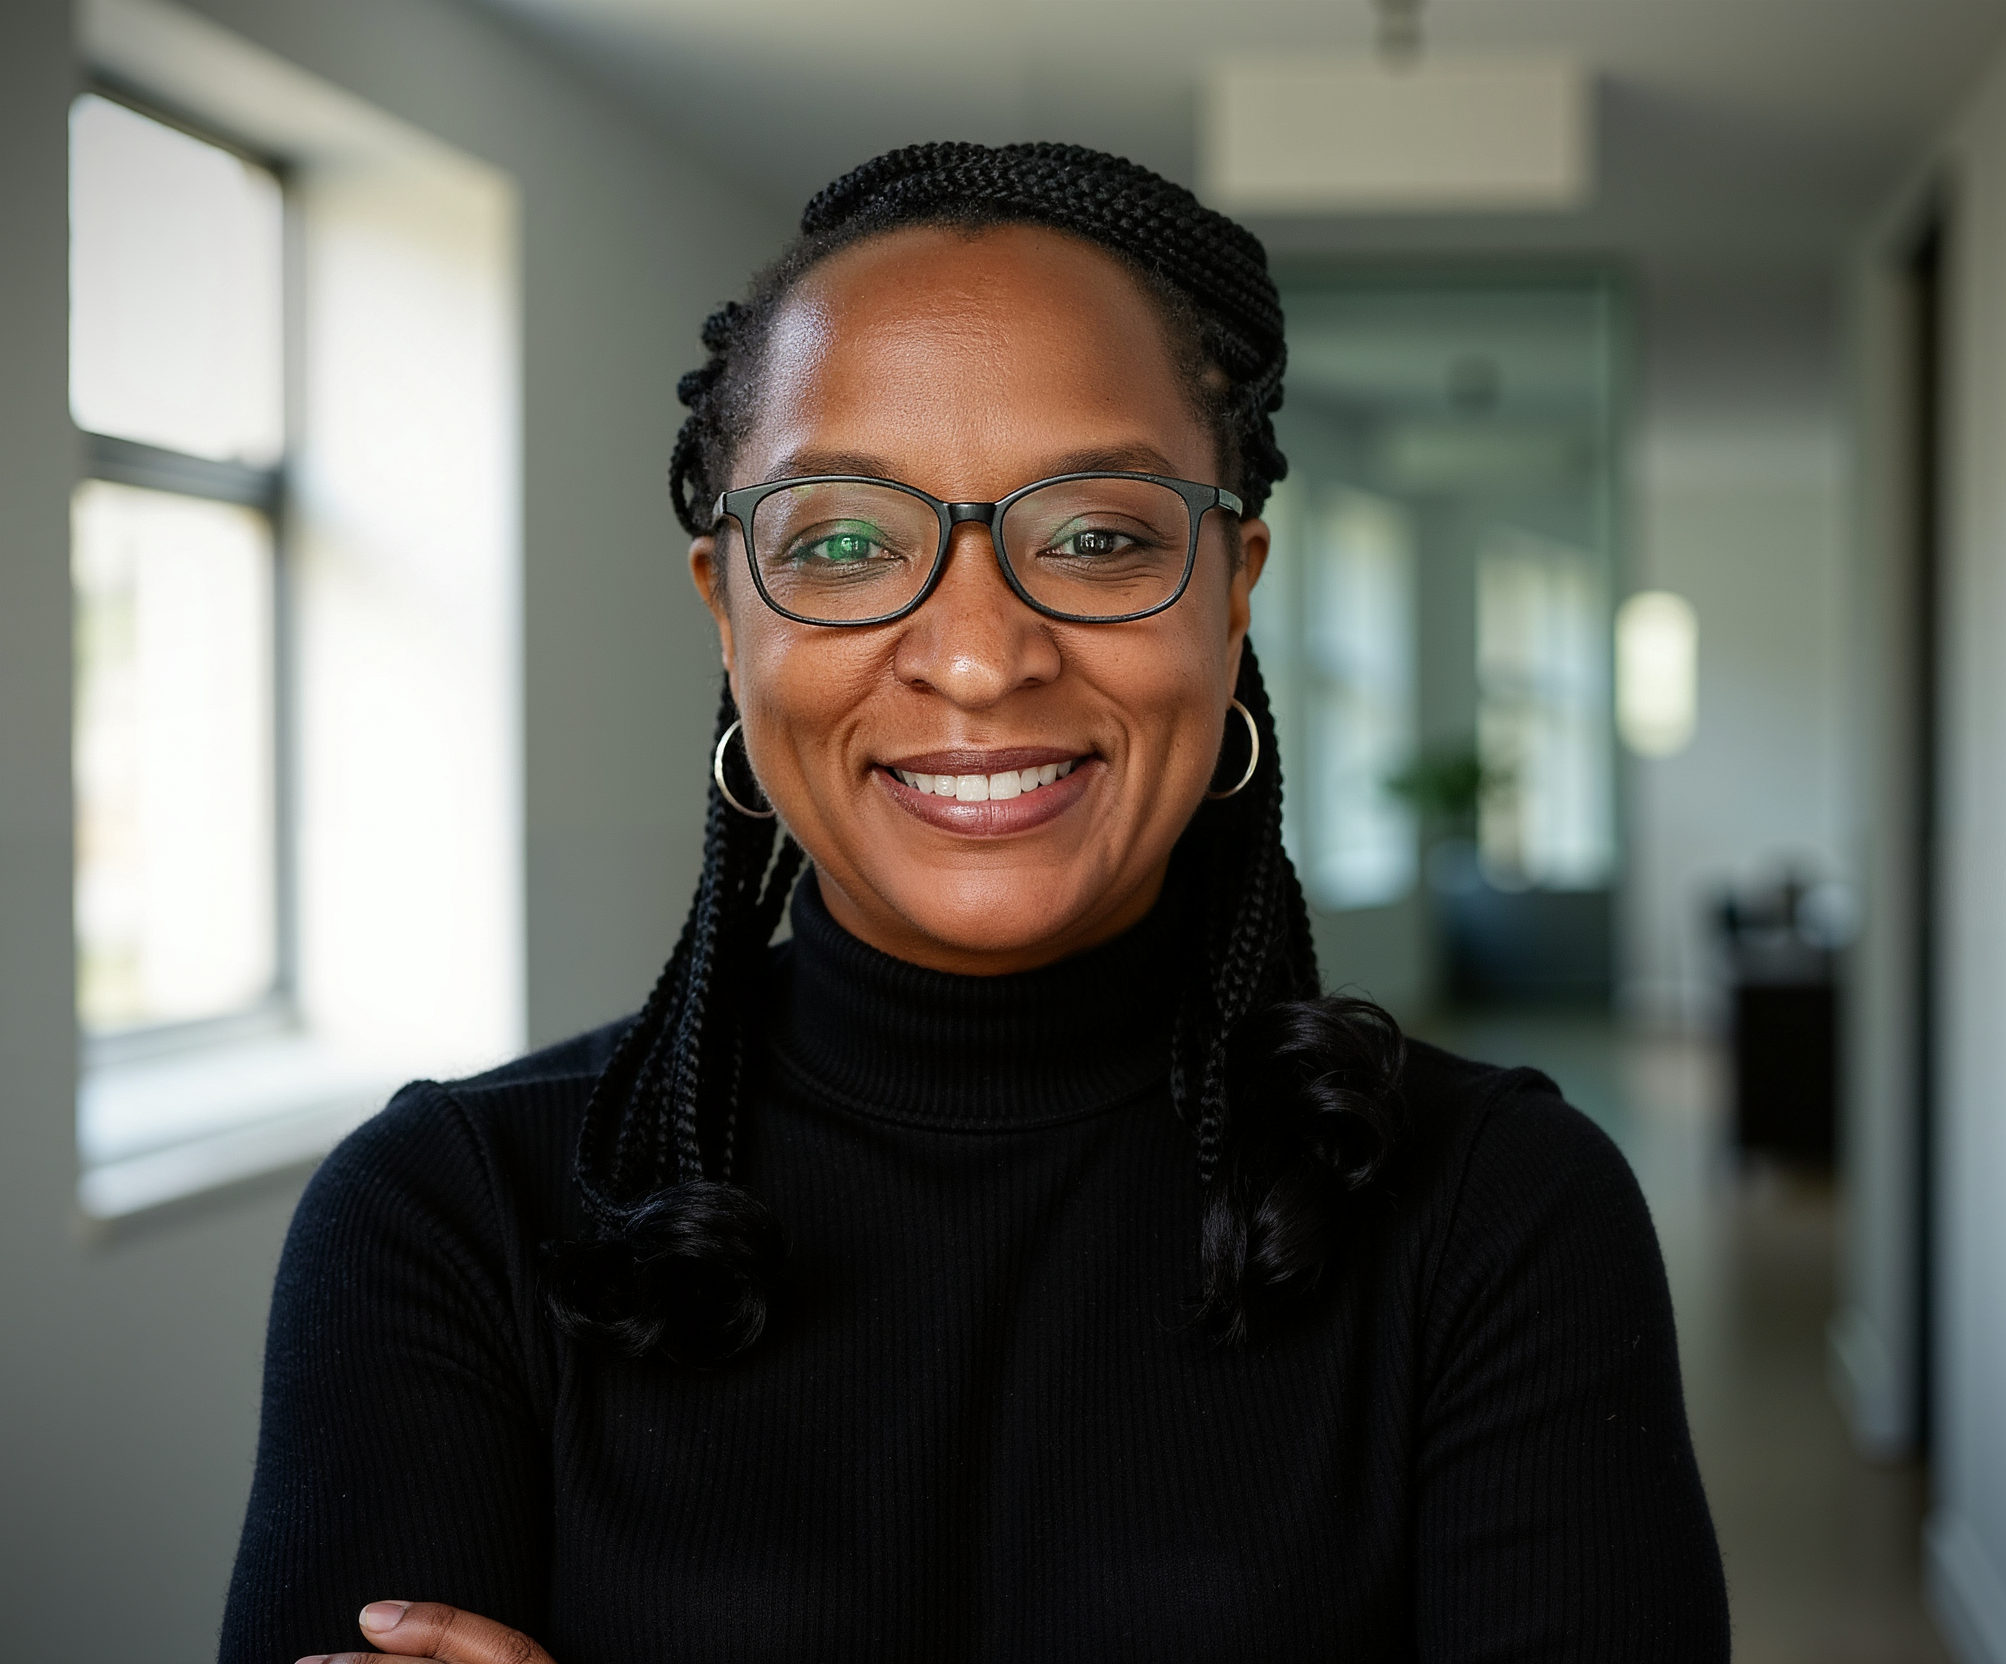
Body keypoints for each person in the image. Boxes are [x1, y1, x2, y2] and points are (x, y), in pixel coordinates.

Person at [222, 142, 1728, 1664]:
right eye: (846, 542)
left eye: (1096, 536)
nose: (979, 654)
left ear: (1233, 585)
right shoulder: (443, 1222)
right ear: (724, 613)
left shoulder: (1502, 1215)